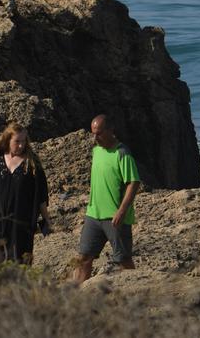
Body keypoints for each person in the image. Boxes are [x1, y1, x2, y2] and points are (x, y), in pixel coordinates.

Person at [72, 115, 142, 284]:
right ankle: (76, 297)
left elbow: (133, 183)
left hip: (115, 218)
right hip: (93, 215)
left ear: (111, 131)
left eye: (99, 133)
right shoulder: (96, 150)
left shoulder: (122, 153)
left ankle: (138, 291)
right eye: (93, 133)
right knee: (83, 257)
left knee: (123, 259)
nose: (95, 138)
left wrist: (122, 211)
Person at [0, 123, 51, 263]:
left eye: (24, 141)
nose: (21, 145)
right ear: (8, 140)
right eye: (17, 141)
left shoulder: (32, 164)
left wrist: (46, 220)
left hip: (20, 225)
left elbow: (40, 196)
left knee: (18, 264)